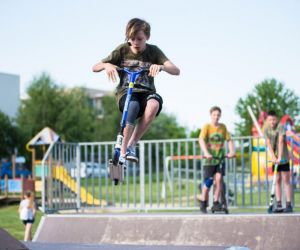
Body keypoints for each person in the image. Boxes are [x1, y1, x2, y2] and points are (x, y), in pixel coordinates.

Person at [92, 18, 180, 164]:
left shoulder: (154, 51)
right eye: (131, 39)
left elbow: (176, 70)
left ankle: (131, 145)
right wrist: (107, 65)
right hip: (126, 92)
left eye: (139, 39)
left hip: (146, 92)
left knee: (154, 105)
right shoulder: (122, 49)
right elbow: (95, 67)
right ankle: (122, 151)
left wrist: (161, 67)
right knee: (132, 106)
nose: (135, 43)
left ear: (147, 37)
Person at [198, 106, 235, 213]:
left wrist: (231, 151)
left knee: (219, 179)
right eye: (214, 115)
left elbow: (229, 140)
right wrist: (206, 152)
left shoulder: (223, 127)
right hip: (209, 159)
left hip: (219, 159)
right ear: (211, 115)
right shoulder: (207, 127)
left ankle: (215, 202)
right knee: (208, 182)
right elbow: (201, 139)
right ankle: (203, 202)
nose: (216, 117)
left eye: (218, 115)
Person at [263, 110, 293, 213]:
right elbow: (268, 144)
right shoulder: (265, 128)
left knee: (286, 180)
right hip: (275, 159)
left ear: (277, 119)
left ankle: (289, 204)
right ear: (267, 120)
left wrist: (279, 157)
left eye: (274, 119)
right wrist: (273, 157)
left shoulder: (280, 126)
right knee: (277, 180)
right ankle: (279, 203)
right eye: (270, 119)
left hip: (283, 156)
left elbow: (280, 141)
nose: (272, 122)